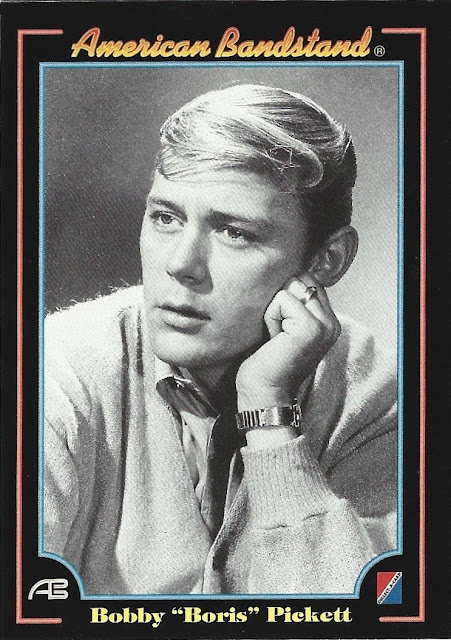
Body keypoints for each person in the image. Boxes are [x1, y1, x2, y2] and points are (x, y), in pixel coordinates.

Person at [44, 84, 397, 596]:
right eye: (166, 218)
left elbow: (364, 617)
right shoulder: (54, 372)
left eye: (234, 232)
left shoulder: (374, 395)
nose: (180, 264)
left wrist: (269, 411)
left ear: (327, 260)